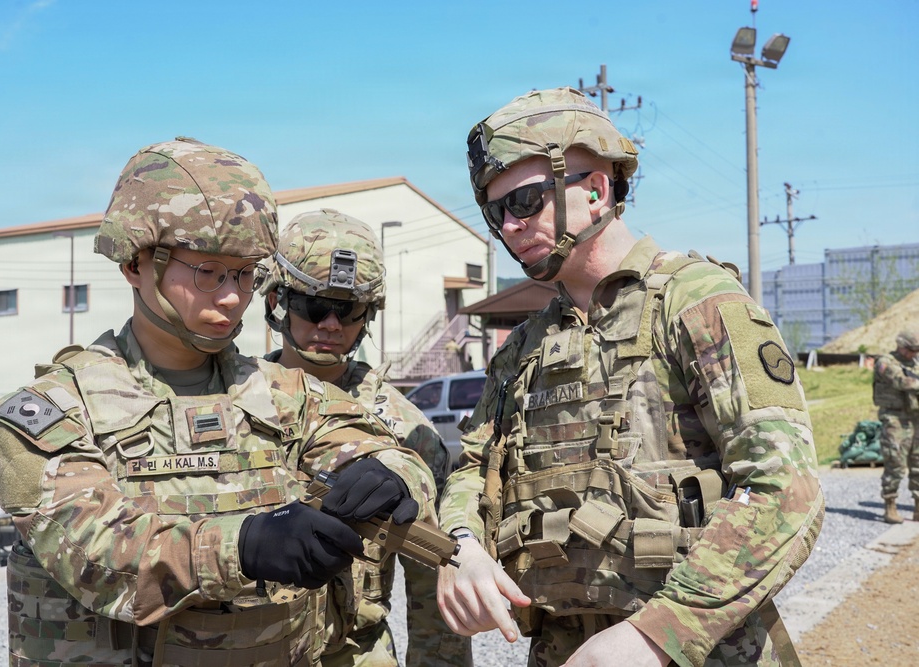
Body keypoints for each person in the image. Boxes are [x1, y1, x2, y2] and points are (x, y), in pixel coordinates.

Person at [0, 138, 435, 666]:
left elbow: (382, 447)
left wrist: (392, 475)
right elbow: (94, 552)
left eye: (245, 274)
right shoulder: (54, 412)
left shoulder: (285, 392)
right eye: (207, 272)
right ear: (136, 262)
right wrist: (244, 545)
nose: (230, 296)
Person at [436, 88, 825, 667]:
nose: (510, 227)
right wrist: (462, 549)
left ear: (595, 191)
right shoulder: (522, 347)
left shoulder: (696, 301)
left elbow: (785, 490)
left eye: (524, 200)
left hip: (701, 649)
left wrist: (655, 635)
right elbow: (472, 468)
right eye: (496, 213)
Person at [261, 208, 472, 667]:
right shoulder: (236, 401)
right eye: (314, 307)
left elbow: (433, 587)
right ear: (278, 300)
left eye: (349, 310)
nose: (332, 325)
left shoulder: (407, 427)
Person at [872, 327, 919, 523]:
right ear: (900, 345)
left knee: (918, 464)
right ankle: (890, 506)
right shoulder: (885, 363)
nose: (913, 353)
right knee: (895, 464)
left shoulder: (915, 364)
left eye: (916, 350)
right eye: (910, 349)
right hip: (895, 420)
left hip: (915, 418)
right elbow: (901, 382)